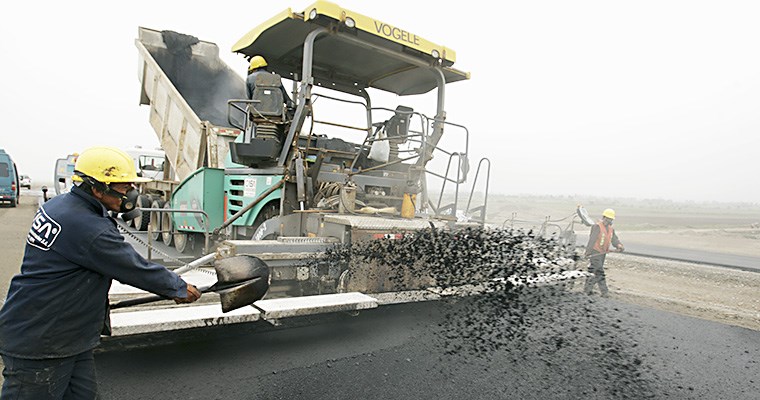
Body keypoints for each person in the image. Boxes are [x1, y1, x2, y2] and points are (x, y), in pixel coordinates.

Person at [0, 146, 201, 399]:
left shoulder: (60, 206)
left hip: (68, 336)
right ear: (97, 189)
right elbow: (132, 267)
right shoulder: (88, 227)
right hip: (42, 340)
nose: (130, 194)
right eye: (124, 188)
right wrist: (178, 288)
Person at [583, 208, 625, 297]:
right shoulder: (597, 226)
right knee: (599, 272)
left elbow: (614, 240)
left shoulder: (611, 229)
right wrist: (588, 253)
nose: (608, 221)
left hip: (602, 254)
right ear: (603, 217)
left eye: (610, 219)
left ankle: (587, 290)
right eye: (607, 218)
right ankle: (604, 292)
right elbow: (592, 240)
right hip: (595, 252)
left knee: (593, 271)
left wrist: (619, 245)